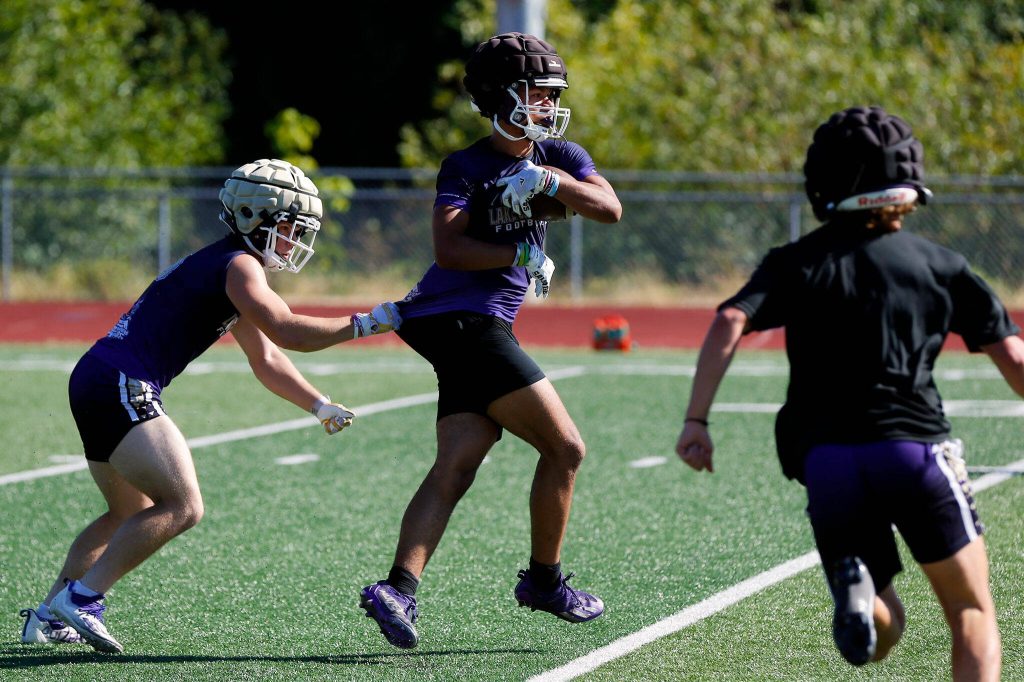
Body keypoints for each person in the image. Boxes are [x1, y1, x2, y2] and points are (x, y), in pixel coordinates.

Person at [676, 106, 1018, 680]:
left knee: (883, 627)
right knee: (971, 611)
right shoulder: (940, 264)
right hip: (914, 452)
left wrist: (696, 420)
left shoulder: (795, 263)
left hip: (828, 460)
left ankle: (862, 596)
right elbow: (1012, 356)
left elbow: (729, 321)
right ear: (909, 181)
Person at [19, 159, 401, 653]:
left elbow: (266, 355)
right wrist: (369, 322)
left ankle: (50, 615)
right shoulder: (240, 266)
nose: (294, 242)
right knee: (183, 505)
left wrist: (318, 404)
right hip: (121, 380)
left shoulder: (228, 265)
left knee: (125, 509)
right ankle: (84, 597)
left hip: (97, 375)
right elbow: (287, 330)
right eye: (289, 229)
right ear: (257, 220)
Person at [356, 32, 622, 649]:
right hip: (458, 318)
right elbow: (448, 247)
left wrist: (546, 181)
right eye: (536, 92)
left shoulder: (559, 153)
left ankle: (398, 587)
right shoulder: (467, 165)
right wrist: (520, 249)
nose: (549, 104)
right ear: (499, 97)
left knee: (458, 460)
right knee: (566, 450)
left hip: (476, 325)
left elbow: (608, 208)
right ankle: (545, 581)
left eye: (553, 93)